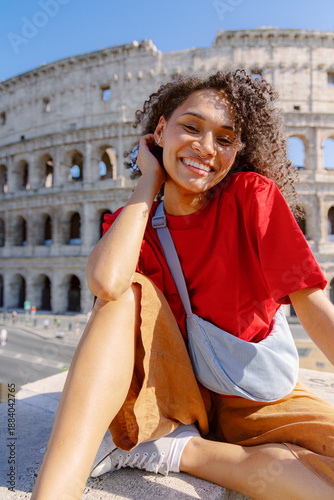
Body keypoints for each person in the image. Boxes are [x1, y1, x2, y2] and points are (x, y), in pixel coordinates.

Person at [31, 70, 334, 500]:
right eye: (190, 127)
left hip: (250, 394)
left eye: (225, 139)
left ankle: (180, 453)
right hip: (172, 391)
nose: (206, 148)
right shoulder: (135, 221)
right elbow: (104, 281)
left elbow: (312, 305)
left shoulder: (252, 196)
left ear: (236, 152)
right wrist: (148, 178)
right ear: (160, 130)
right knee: (122, 296)